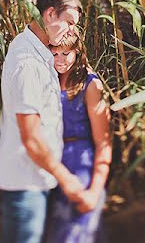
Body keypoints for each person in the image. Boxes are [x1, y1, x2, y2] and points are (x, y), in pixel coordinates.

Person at [0, 0, 89, 243]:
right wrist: (65, 178)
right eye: (68, 22)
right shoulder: (28, 64)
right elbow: (31, 138)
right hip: (26, 183)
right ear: (49, 15)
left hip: (33, 180)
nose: (72, 30)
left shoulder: (37, 53)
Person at [44, 30, 111, 243]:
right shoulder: (46, 80)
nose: (60, 60)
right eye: (55, 54)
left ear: (77, 52)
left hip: (80, 163)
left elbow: (104, 141)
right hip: (50, 165)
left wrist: (94, 190)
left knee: (77, 234)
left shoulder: (90, 84)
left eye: (66, 53)